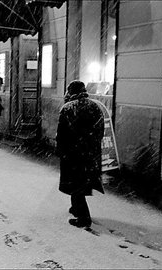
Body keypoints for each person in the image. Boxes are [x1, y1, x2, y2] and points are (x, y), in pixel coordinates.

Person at [56, 80, 105, 228]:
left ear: (70, 92)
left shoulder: (68, 108)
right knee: (82, 182)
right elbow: (100, 131)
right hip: (90, 153)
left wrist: (61, 151)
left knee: (75, 183)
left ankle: (84, 218)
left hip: (73, 153)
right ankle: (76, 208)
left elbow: (62, 134)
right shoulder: (95, 106)